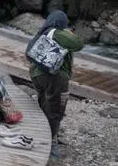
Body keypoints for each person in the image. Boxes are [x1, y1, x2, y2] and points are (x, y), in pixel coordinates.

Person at [26, 10, 84, 142]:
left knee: (44, 105)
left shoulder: (41, 33)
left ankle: (44, 133)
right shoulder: (58, 33)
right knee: (55, 108)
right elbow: (79, 44)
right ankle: (49, 140)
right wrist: (69, 33)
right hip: (54, 76)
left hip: (36, 76)